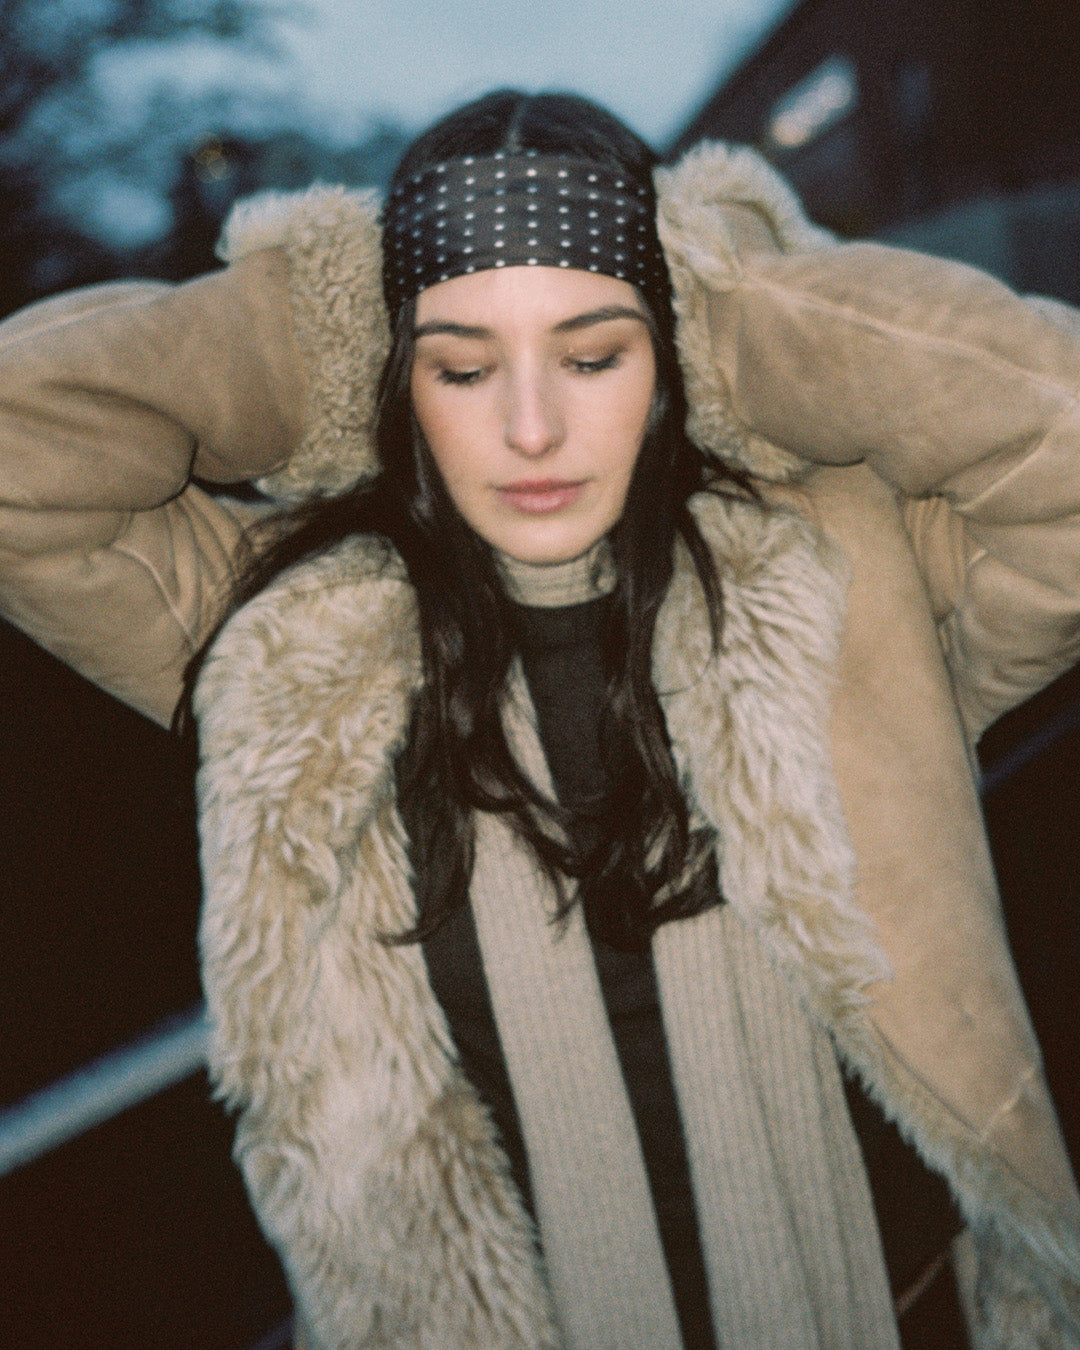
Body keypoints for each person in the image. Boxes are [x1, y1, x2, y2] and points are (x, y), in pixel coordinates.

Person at [1, 87, 1079, 1350]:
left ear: (679, 358)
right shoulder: (293, 636)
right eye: (461, 368)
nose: (529, 429)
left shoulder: (848, 584)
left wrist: (736, 304)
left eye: (594, 355)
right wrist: (314, 325)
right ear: (392, 377)